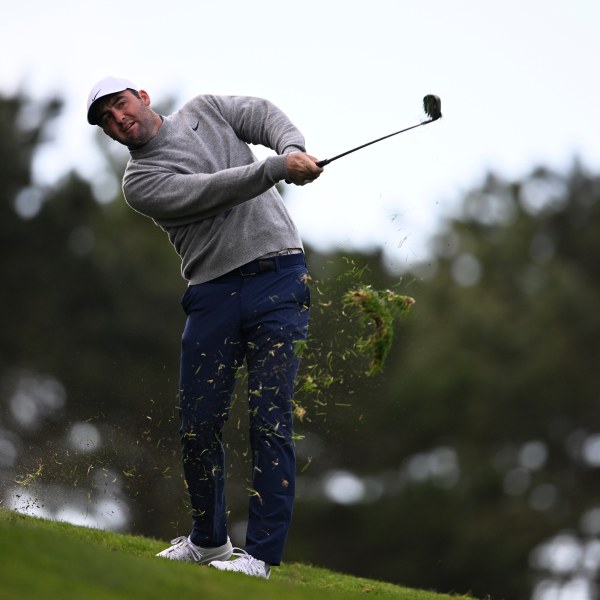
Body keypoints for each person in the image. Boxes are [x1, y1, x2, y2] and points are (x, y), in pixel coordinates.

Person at [86, 76, 323, 579]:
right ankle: (209, 542)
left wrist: (292, 147)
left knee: (270, 417)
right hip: (212, 294)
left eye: (120, 105)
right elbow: (211, 192)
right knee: (197, 426)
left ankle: (258, 554)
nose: (117, 118)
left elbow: (261, 113)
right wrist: (278, 168)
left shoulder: (206, 109)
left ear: (142, 97)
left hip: (278, 278)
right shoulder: (140, 183)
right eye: (105, 118)